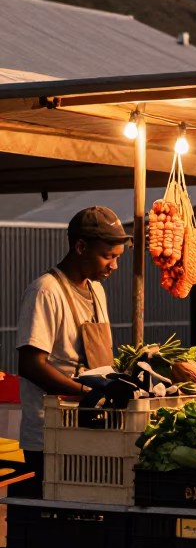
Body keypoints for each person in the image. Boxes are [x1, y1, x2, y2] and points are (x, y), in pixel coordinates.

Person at [14, 206, 131, 496]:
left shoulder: (97, 290)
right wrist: (87, 391)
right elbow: (31, 365)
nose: (114, 266)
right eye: (108, 256)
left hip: (91, 426)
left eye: (117, 257)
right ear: (80, 246)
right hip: (51, 433)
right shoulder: (45, 291)